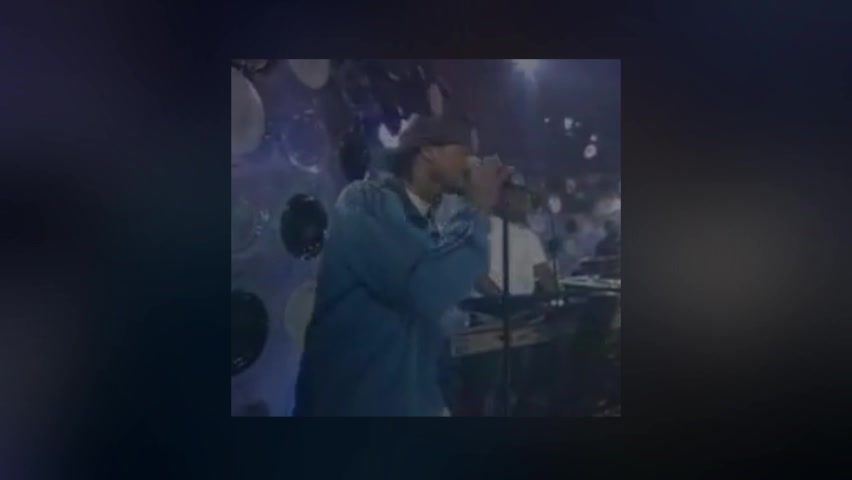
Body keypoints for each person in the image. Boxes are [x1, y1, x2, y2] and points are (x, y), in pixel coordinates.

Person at [293, 115, 509, 416]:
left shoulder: (430, 229)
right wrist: (476, 208)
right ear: (428, 151)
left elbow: (433, 331)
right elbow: (421, 289)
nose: (473, 163)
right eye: (465, 152)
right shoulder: (364, 203)